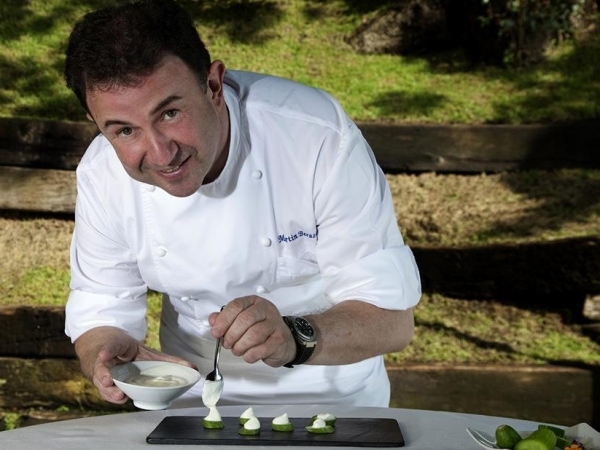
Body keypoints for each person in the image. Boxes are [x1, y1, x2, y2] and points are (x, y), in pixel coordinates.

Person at [63, 0, 421, 408]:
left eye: (170, 113)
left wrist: (293, 337)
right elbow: (102, 305)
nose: (161, 154)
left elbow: (392, 321)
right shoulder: (101, 173)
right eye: (125, 130)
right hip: (191, 399)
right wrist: (103, 355)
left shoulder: (315, 138)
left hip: (333, 398)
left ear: (213, 85)